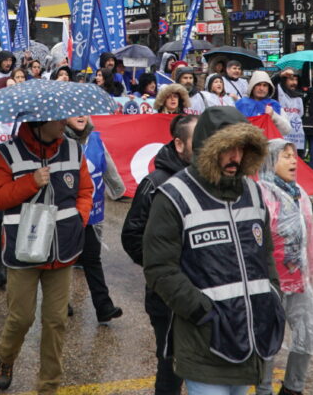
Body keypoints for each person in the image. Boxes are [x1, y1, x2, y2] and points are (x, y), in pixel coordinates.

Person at [143, 106, 284, 394]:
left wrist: (272, 294)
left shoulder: (254, 192)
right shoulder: (174, 196)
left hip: (247, 339)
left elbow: (265, 254)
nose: (236, 157)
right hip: (204, 343)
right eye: (227, 148)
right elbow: (159, 268)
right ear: (208, 148)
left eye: (241, 148)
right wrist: (201, 313)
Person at [0, 118, 93, 395]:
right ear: (40, 123)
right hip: (24, 250)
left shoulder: (73, 149)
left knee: (56, 321)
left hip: (63, 251)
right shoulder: (7, 152)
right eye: (59, 120)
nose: (65, 123)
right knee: (21, 318)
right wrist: (30, 182)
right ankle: (6, 358)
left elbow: (85, 191)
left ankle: (49, 387)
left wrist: (78, 220)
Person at [121, 114, 195, 395]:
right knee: (171, 371)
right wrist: (163, 269)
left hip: (203, 294)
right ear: (179, 144)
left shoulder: (208, 181)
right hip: (166, 298)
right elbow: (131, 236)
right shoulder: (155, 183)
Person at [256, 139, 313, 395]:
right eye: (285, 156)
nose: (294, 161)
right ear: (270, 161)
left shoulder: (300, 194)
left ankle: (293, 388)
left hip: (298, 278)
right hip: (269, 281)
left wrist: (311, 274)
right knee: (267, 340)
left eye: (294, 156)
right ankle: (263, 390)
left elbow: (310, 238)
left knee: (308, 333)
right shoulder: (260, 194)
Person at [66, 115, 125, 325]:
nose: (80, 116)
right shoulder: (59, 140)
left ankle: (103, 306)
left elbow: (106, 163)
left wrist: (117, 187)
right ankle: (60, 301)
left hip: (91, 210)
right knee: (63, 259)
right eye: (75, 112)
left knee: (92, 258)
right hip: (66, 212)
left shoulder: (95, 138)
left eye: (84, 112)